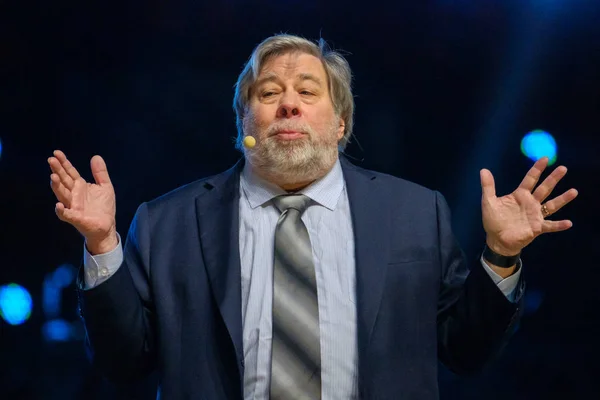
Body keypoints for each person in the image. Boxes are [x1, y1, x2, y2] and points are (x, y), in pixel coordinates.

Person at [48, 34, 578, 400]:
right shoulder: (165, 222)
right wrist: (102, 248)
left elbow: (465, 353)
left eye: (307, 91)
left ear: (340, 122)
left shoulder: (417, 213)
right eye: (269, 93)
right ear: (243, 120)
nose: (288, 105)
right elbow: (123, 364)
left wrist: (501, 256)